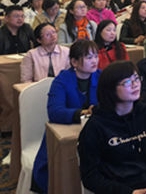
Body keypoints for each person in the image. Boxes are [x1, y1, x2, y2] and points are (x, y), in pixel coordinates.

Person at [78, 61, 146, 194]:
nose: (135, 85)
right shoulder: (95, 126)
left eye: (136, 79)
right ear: (110, 89)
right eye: (127, 82)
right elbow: (90, 177)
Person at [32, 39, 101, 193]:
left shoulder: (101, 76)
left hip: (96, 132)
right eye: (89, 57)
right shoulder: (62, 80)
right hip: (65, 134)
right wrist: (84, 113)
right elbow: (55, 112)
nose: (94, 61)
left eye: (96, 56)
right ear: (74, 62)